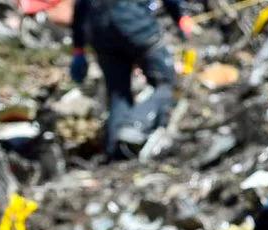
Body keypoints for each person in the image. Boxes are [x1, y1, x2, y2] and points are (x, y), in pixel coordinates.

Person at [69, 0, 195, 159]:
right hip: (134, 23)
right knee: (166, 83)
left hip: (99, 30)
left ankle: (115, 151)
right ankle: (135, 125)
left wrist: (78, 49)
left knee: (118, 93)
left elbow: (80, 7)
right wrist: (180, 16)